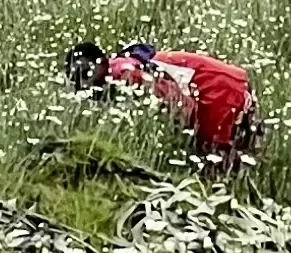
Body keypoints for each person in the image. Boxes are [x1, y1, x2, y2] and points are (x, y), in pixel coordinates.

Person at [65, 40, 261, 167]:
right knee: (235, 156)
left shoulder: (126, 75)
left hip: (218, 88)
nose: (84, 85)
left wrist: (182, 136)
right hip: (222, 83)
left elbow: (182, 105)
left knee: (217, 161)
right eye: (77, 79)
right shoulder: (118, 70)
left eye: (85, 75)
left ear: (101, 63)